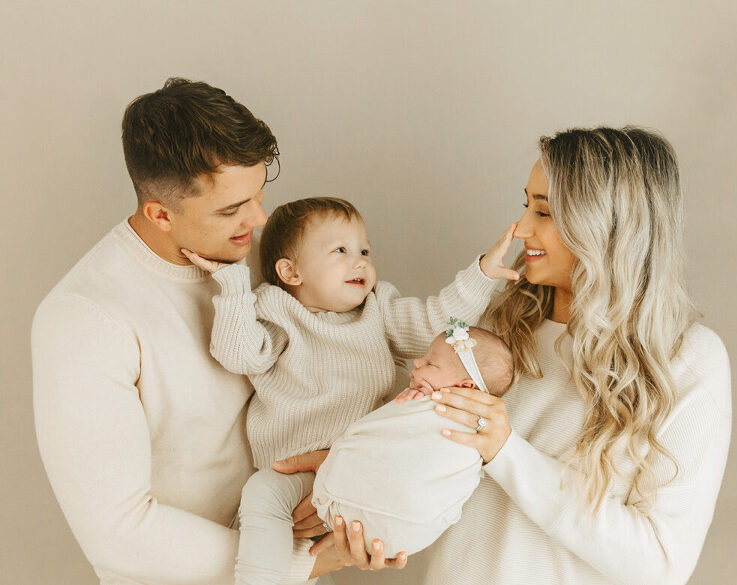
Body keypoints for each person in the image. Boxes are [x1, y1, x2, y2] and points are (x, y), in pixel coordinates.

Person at [31, 78, 391, 585]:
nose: (260, 220)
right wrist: (301, 563)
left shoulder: (242, 264)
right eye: (231, 210)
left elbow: (312, 387)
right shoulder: (84, 318)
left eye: (258, 197)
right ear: (159, 213)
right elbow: (118, 530)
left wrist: (349, 478)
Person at [399, 127, 732, 585]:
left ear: (609, 226)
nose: (521, 228)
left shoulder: (686, 360)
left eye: (545, 211)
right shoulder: (490, 330)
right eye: (526, 204)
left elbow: (660, 563)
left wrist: (506, 452)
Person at [181, 195, 519, 584]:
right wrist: (234, 283)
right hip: (298, 472)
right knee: (265, 506)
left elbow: (439, 324)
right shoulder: (275, 311)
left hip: (369, 470)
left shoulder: (378, 310)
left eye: (364, 250)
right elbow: (239, 355)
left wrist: (483, 274)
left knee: (311, 529)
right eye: (341, 250)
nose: (360, 261)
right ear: (290, 272)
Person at [313, 322, 516, 559]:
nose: (417, 362)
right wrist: (409, 401)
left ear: (464, 386)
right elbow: (393, 435)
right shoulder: (420, 402)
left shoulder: (475, 430)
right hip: (405, 538)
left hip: (336, 499)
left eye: (430, 363)